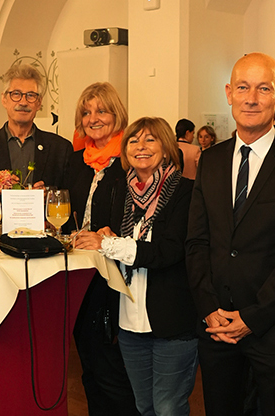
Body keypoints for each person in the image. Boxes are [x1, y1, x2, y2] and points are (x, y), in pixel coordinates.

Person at [186, 52, 275, 416]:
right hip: (216, 329)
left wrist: (252, 318)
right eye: (243, 87)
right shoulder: (210, 160)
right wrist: (208, 308)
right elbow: (197, 241)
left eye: (264, 89)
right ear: (229, 93)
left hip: (274, 333)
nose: (251, 98)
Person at [77, 117, 199, 416]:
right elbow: (118, 239)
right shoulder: (122, 193)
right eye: (133, 141)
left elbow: (167, 251)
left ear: (167, 148)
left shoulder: (187, 192)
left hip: (173, 320)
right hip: (130, 320)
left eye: (150, 140)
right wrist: (108, 236)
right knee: (143, 407)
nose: (140, 147)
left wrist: (108, 244)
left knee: (169, 407)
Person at [61, 82, 138, 416]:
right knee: (90, 369)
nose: (93, 118)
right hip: (80, 276)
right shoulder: (76, 162)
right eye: (86, 112)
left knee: (113, 371)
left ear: (116, 113)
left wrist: (111, 234)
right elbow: (63, 211)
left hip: (117, 276)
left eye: (101, 110)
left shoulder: (131, 159)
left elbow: (144, 214)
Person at [0, 63, 72, 189]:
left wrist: (50, 195)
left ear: (39, 103)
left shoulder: (60, 149)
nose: (23, 102)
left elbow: (69, 195)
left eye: (31, 95)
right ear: (4, 99)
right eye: (16, 94)